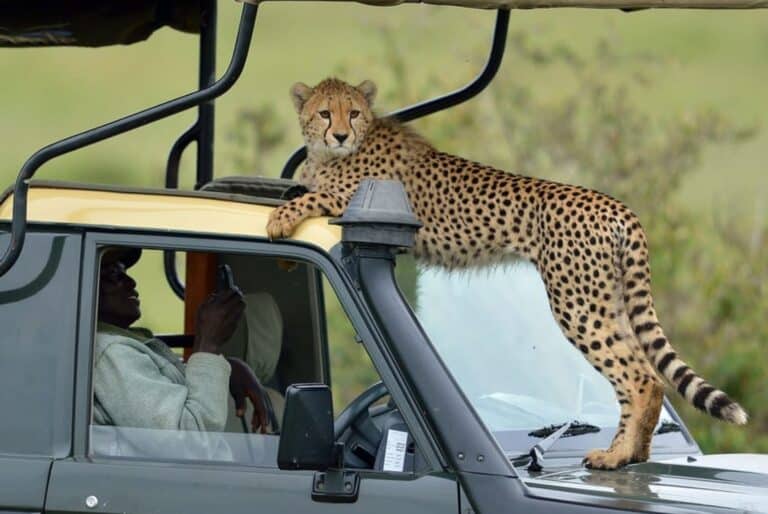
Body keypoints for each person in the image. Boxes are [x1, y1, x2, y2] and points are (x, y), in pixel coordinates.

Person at [93, 247, 269, 433]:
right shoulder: (112, 353)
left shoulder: (127, 345)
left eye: (125, 272)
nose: (131, 282)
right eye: (113, 274)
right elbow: (190, 440)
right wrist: (207, 346)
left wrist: (229, 368)